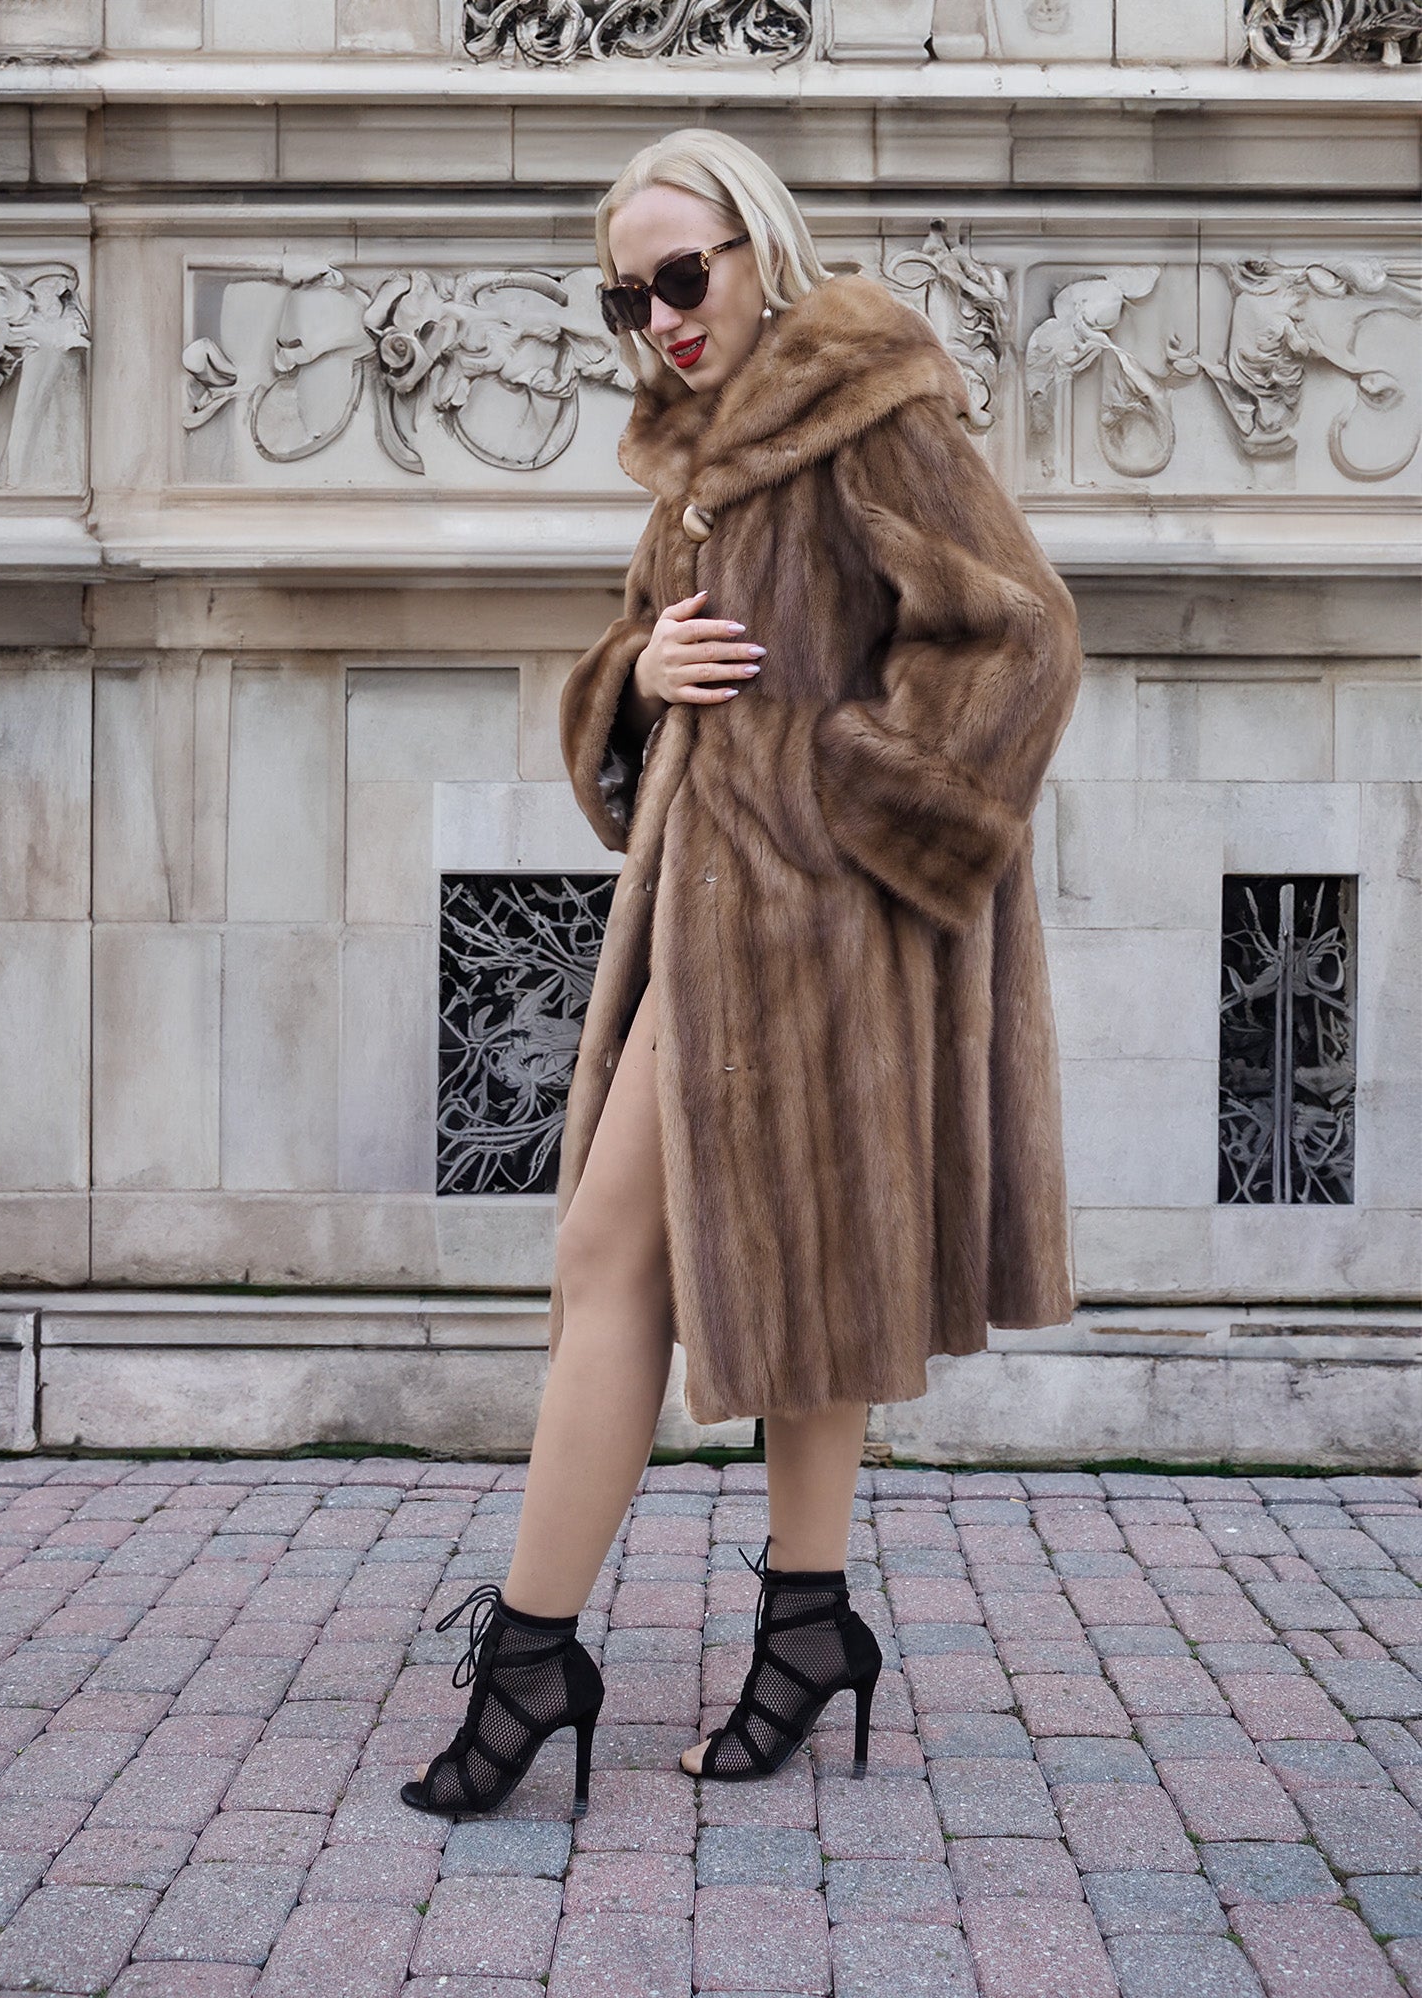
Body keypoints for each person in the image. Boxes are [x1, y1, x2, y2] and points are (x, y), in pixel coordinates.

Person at [402, 129, 1083, 1821]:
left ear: (758, 243)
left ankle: (539, 1656)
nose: (661, 317)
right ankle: (804, 1625)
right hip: (714, 935)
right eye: (628, 294)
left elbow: (1020, 636)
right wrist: (640, 669)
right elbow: (651, 693)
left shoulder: (870, 411)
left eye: (680, 275)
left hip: (826, 928)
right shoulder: (701, 459)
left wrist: (845, 786)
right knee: (713, 1268)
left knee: (666, 1261)